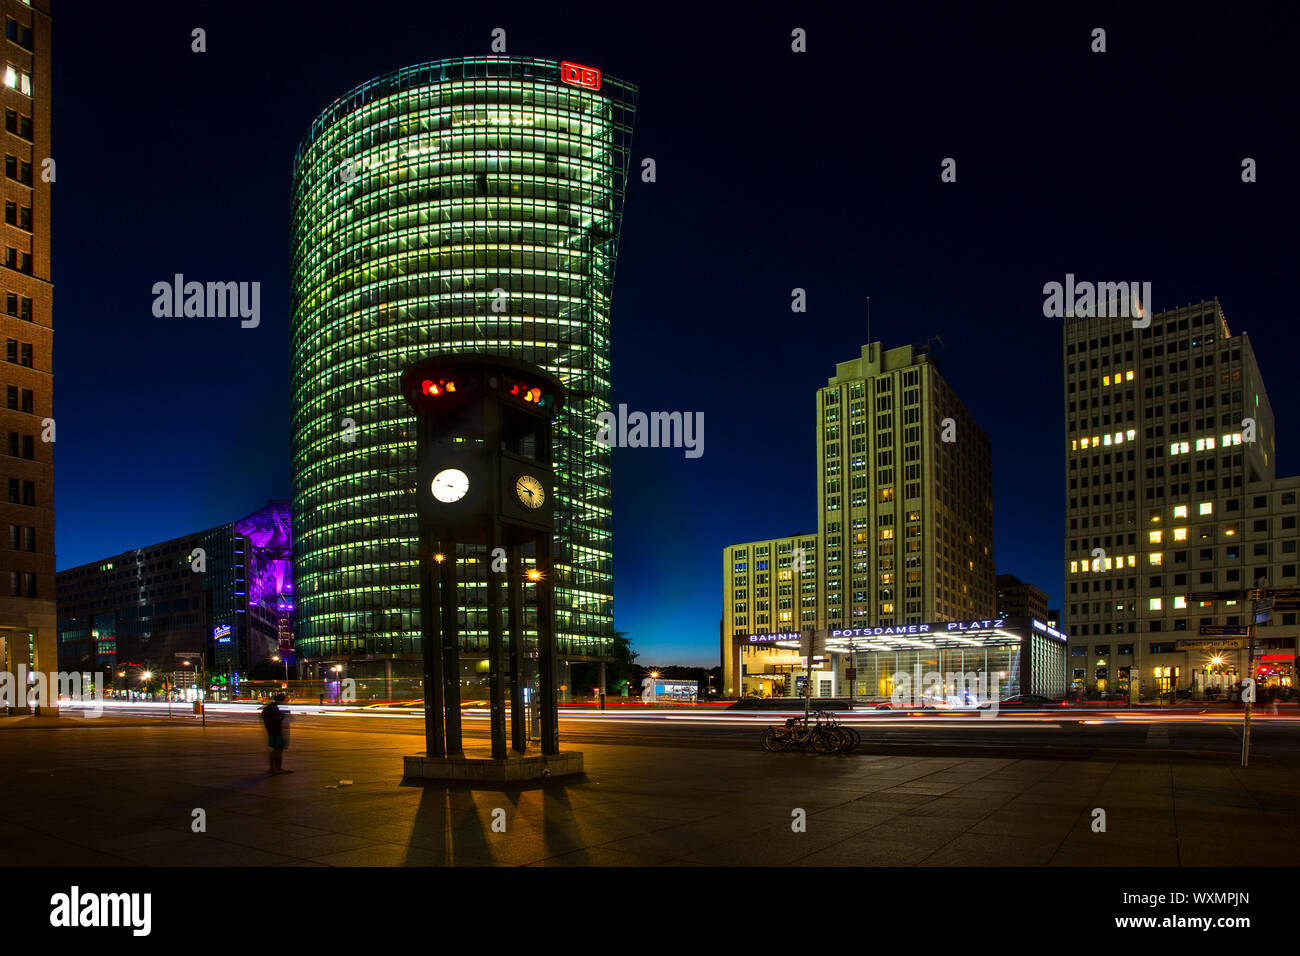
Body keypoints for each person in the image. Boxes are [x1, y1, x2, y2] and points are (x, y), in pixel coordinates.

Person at [260, 693, 293, 774]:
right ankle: (278, 768)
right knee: (278, 750)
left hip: (271, 731)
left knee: (274, 750)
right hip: (279, 731)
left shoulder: (269, 707)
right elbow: (288, 717)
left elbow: (263, 716)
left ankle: (272, 768)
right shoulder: (281, 706)